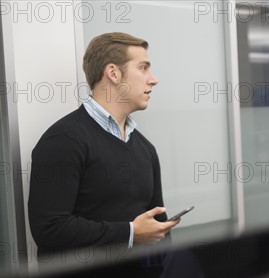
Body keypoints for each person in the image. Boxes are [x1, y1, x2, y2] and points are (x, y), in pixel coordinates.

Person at [28, 32, 179, 259]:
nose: (153, 79)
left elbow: (157, 226)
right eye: (143, 68)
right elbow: (49, 228)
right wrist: (129, 232)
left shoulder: (146, 149)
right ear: (113, 73)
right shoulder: (63, 140)